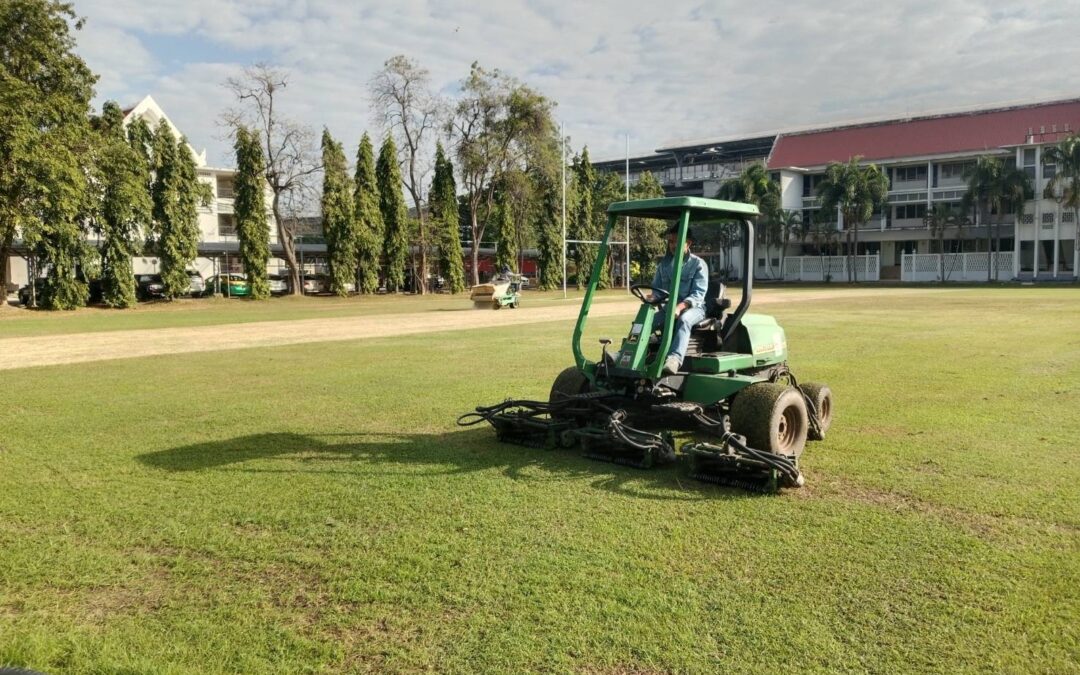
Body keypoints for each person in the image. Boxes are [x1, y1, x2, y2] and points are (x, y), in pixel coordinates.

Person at [651, 223, 708, 376]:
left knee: (684, 320)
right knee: (646, 322)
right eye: (671, 241)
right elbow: (657, 290)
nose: (673, 245)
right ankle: (625, 354)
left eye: (677, 241)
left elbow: (698, 295)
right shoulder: (664, 265)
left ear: (688, 243)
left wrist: (679, 307)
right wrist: (652, 297)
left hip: (695, 308)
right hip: (670, 308)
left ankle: (674, 359)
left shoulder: (698, 264)